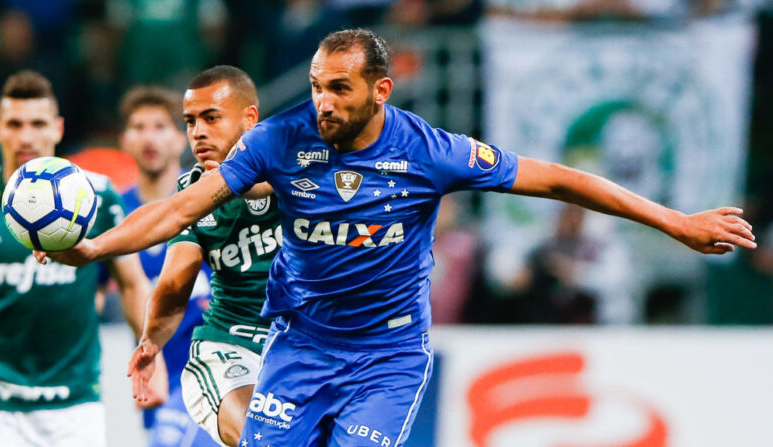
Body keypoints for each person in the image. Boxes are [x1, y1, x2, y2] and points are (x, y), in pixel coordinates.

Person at [37, 29, 757, 447]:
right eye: (316, 85)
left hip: (384, 354)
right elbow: (180, 210)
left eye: (339, 89)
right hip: (299, 345)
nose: (321, 101)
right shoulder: (278, 142)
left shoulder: (428, 150)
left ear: (380, 90)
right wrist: (97, 247)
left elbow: (558, 178)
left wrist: (675, 219)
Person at [0, 70, 159, 446]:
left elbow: (131, 282)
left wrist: (149, 350)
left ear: (58, 128)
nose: (26, 136)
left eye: (38, 123)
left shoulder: (97, 196)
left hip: (75, 405)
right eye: (14, 124)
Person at [127, 66, 281, 447]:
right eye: (190, 121)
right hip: (210, 362)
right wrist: (151, 344)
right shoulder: (131, 206)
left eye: (210, 118)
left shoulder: (294, 169)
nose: (198, 131)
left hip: (299, 351)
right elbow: (152, 285)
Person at [117, 85, 216, 446]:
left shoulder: (213, 201)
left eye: (160, 126)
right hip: (157, 376)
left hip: (216, 375)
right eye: (138, 127)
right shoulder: (116, 217)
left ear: (181, 137)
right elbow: (93, 295)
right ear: (123, 139)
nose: (149, 137)